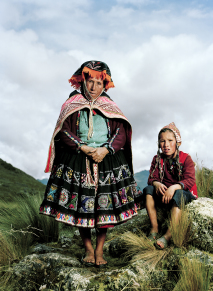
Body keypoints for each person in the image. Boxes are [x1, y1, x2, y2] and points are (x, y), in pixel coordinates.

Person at [40, 60, 142, 267]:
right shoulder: (72, 105)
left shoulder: (110, 107)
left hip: (107, 160)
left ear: (105, 84)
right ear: (82, 81)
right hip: (78, 159)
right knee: (82, 207)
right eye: (90, 81)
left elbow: (120, 133)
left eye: (99, 82)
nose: (94, 86)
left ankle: (99, 250)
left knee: (103, 208)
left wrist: (105, 149)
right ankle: (88, 248)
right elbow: (64, 132)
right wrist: (83, 147)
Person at [143, 122, 197, 249]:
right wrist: (156, 184)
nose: (166, 145)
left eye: (170, 140)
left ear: (178, 142)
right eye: (162, 141)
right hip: (164, 194)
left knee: (179, 194)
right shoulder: (157, 159)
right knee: (148, 189)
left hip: (182, 193)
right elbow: (152, 178)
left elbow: (189, 180)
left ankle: (168, 235)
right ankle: (154, 229)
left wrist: (174, 187)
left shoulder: (186, 158)